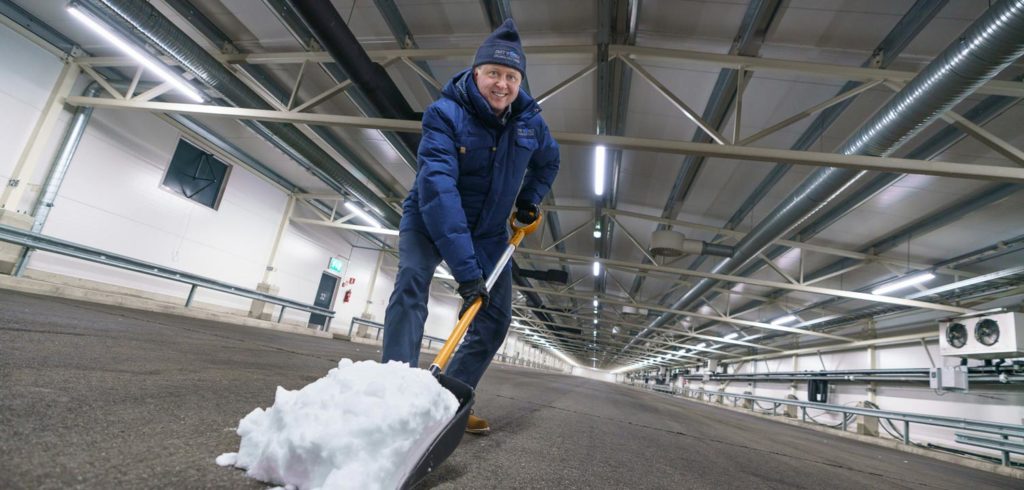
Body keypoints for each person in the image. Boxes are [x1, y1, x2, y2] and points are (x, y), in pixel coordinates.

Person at [381, 18, 559, 435]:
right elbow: (439, 193)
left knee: (495, 320)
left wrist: (530, 198)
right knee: (412, 280)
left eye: (511, 76)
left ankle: (446, 400)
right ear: (476, 72)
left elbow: (549, 161)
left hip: (490, 231)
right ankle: (392, 394)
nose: (502, 84)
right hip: (429, 217)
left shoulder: (530, 122)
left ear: (520, 81)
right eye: (493, 73)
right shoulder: (444, 115)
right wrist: (467, 275)